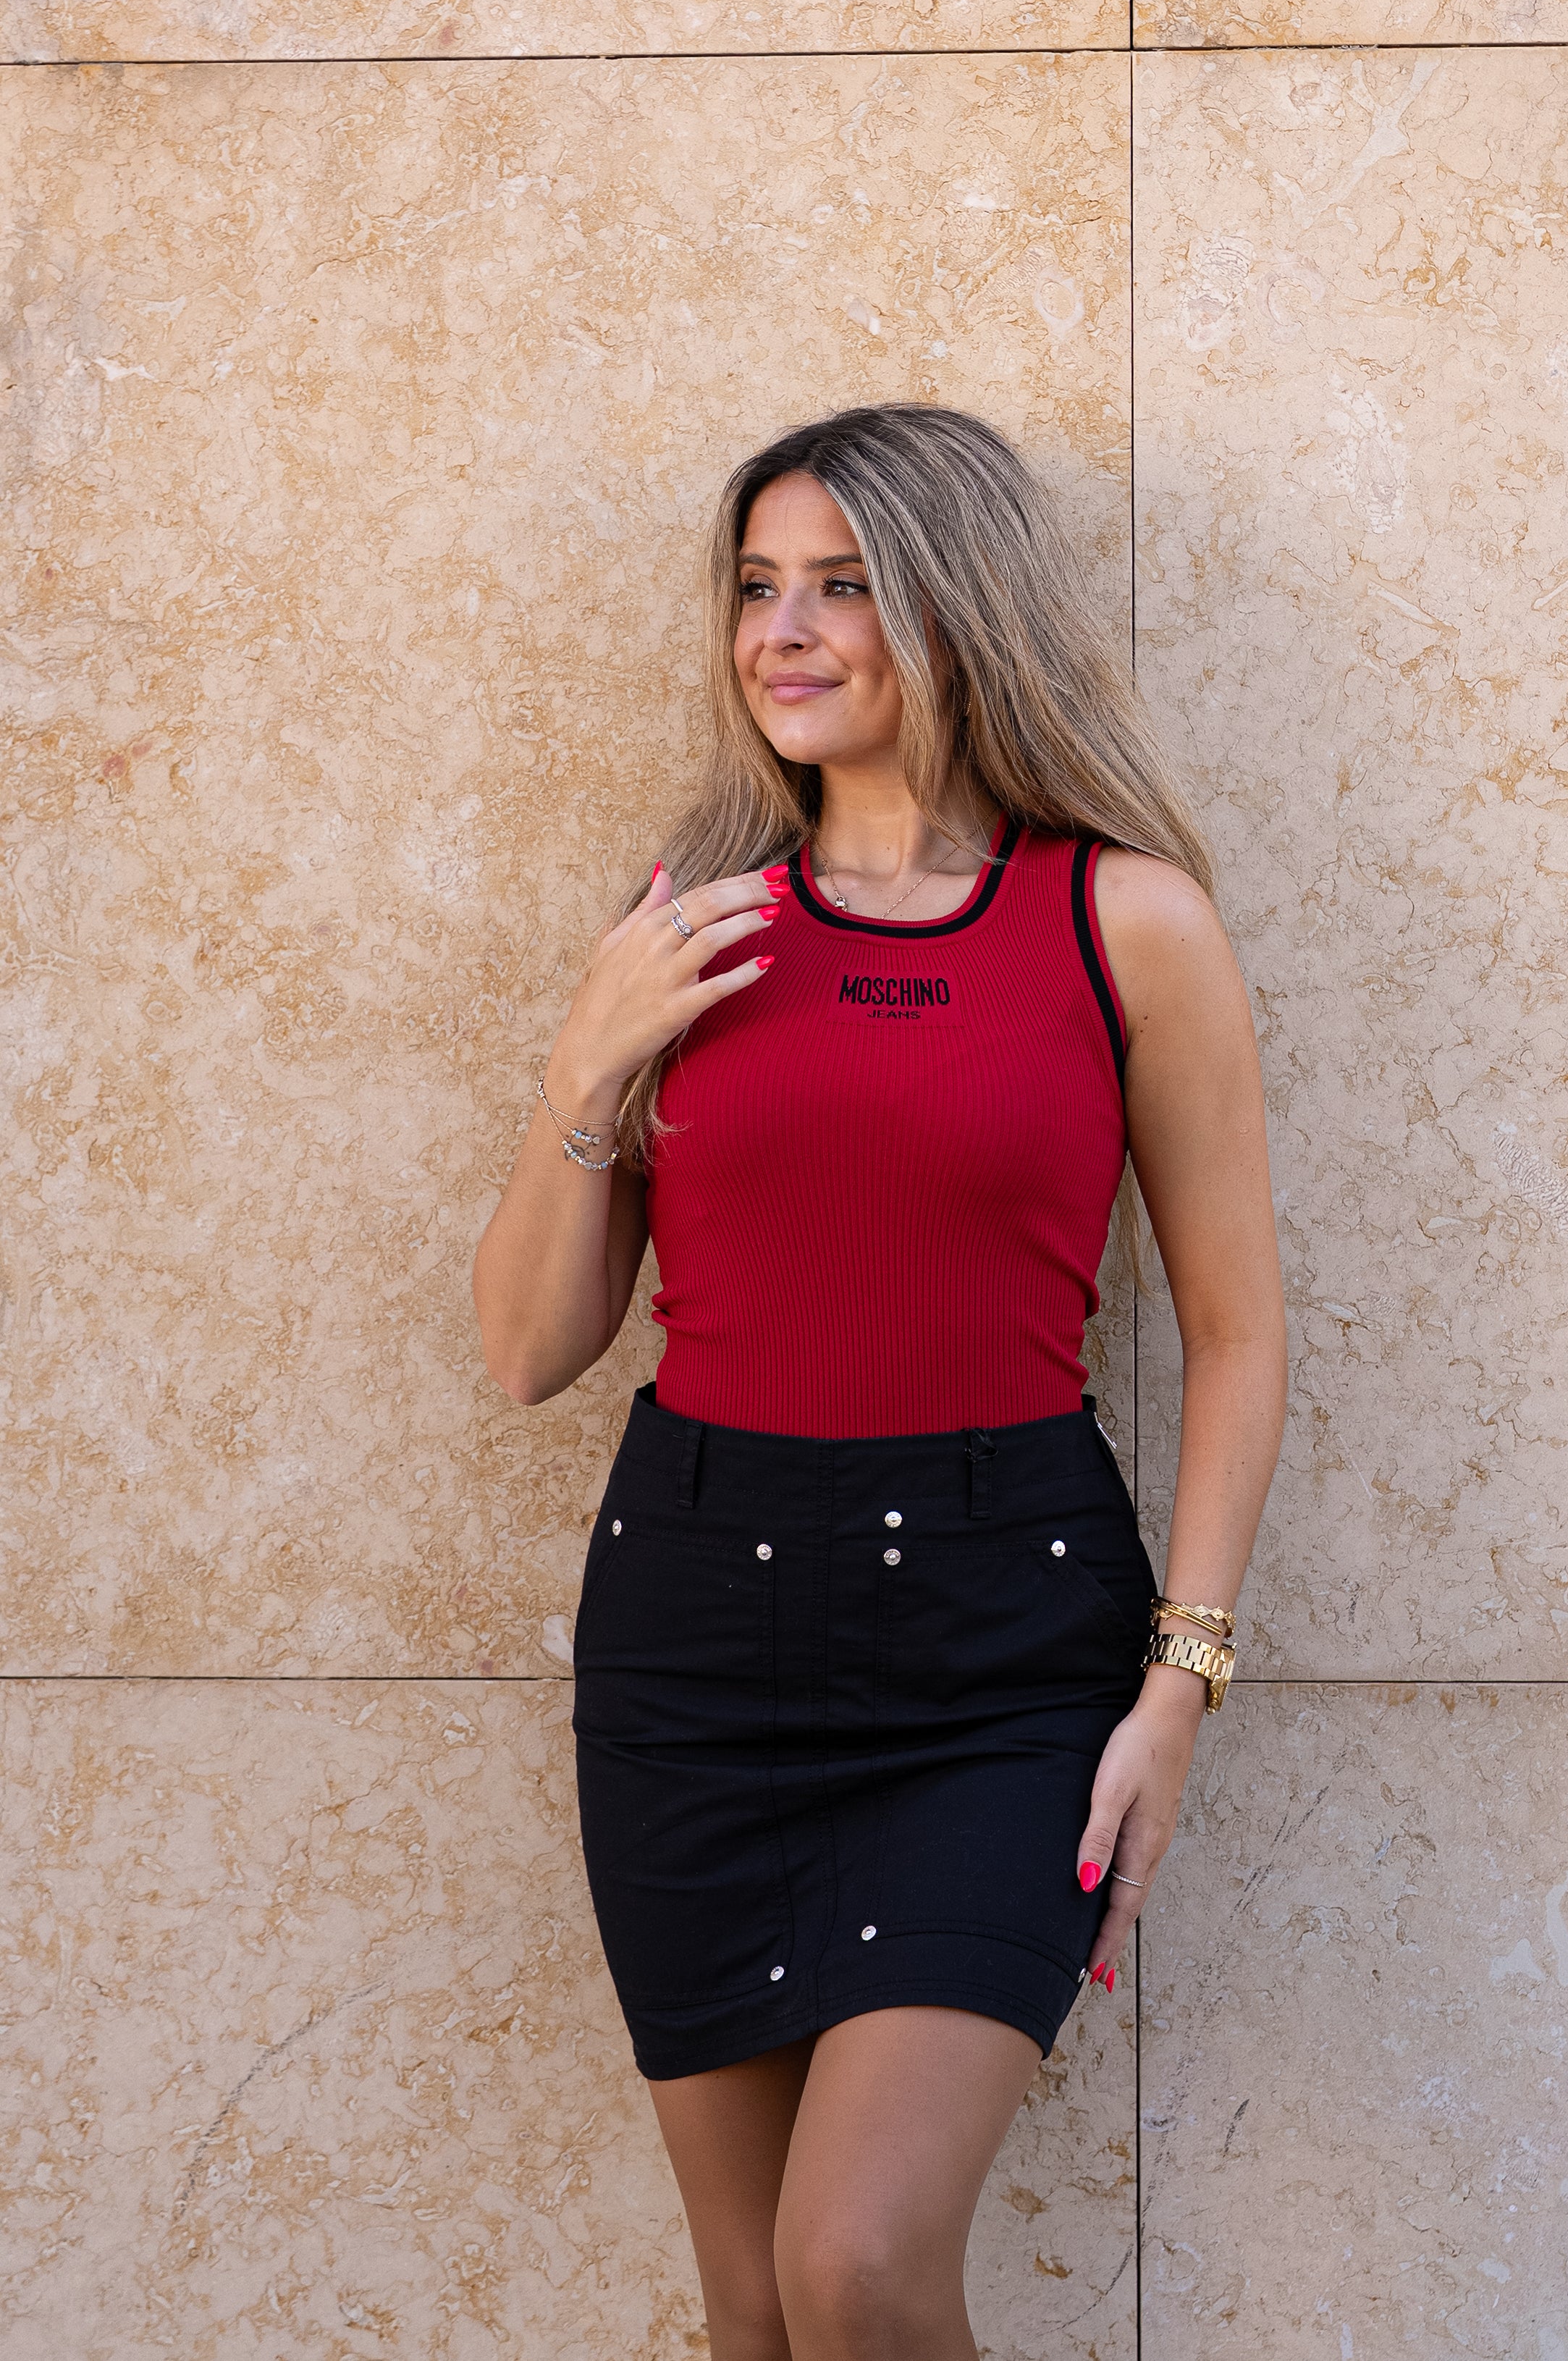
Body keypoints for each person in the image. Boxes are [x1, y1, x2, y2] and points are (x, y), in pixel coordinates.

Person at [473, 403, 1285, 2361]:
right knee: (757, 2307)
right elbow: (528, 1349)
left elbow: (1239, 1328)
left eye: (841, 586)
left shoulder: (1122, 920)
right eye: (758, 587)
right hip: (695, 1642)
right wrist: (586, 1067)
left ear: (955, 603)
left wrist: (1180, 1681)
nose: (784, 630)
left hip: (1002, 1651)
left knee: (858, 2266)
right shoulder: (688, 925)